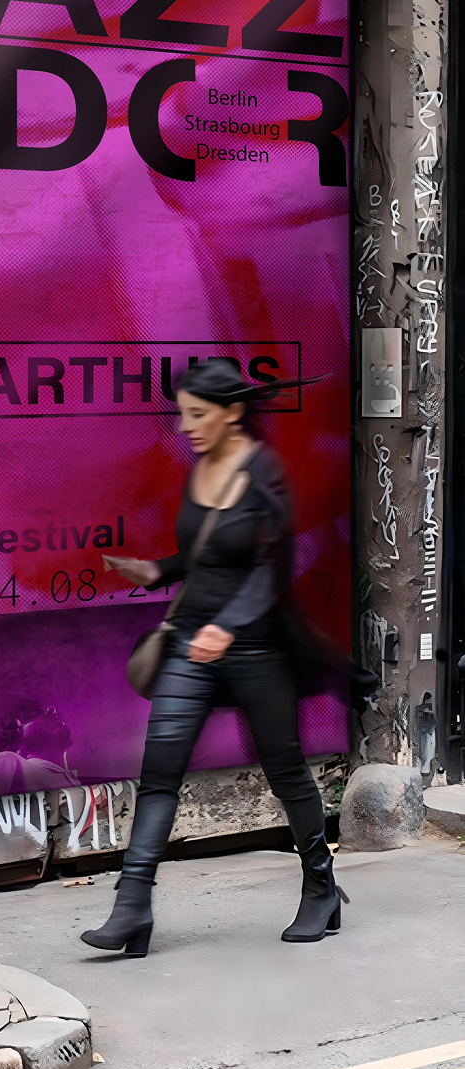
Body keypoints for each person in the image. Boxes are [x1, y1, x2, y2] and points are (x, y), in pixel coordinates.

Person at [81, 359, 347, 958]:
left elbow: (269, 567)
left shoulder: (264, 471)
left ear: (231, 412)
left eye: (197, 414)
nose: (187, 426)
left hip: (255, 648)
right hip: (188, 643)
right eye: (183, 414)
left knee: (284, 770)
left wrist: (227, 627)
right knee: (159, 773)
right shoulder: (200, 468)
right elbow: (202, 556)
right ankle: (132, 908)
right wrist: (157, 570)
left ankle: (321, 886)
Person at [0, 700, 77, 796]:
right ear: (15, 748)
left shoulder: (79, 784)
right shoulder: (7, 763)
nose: (52, 709)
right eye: (31, 716)